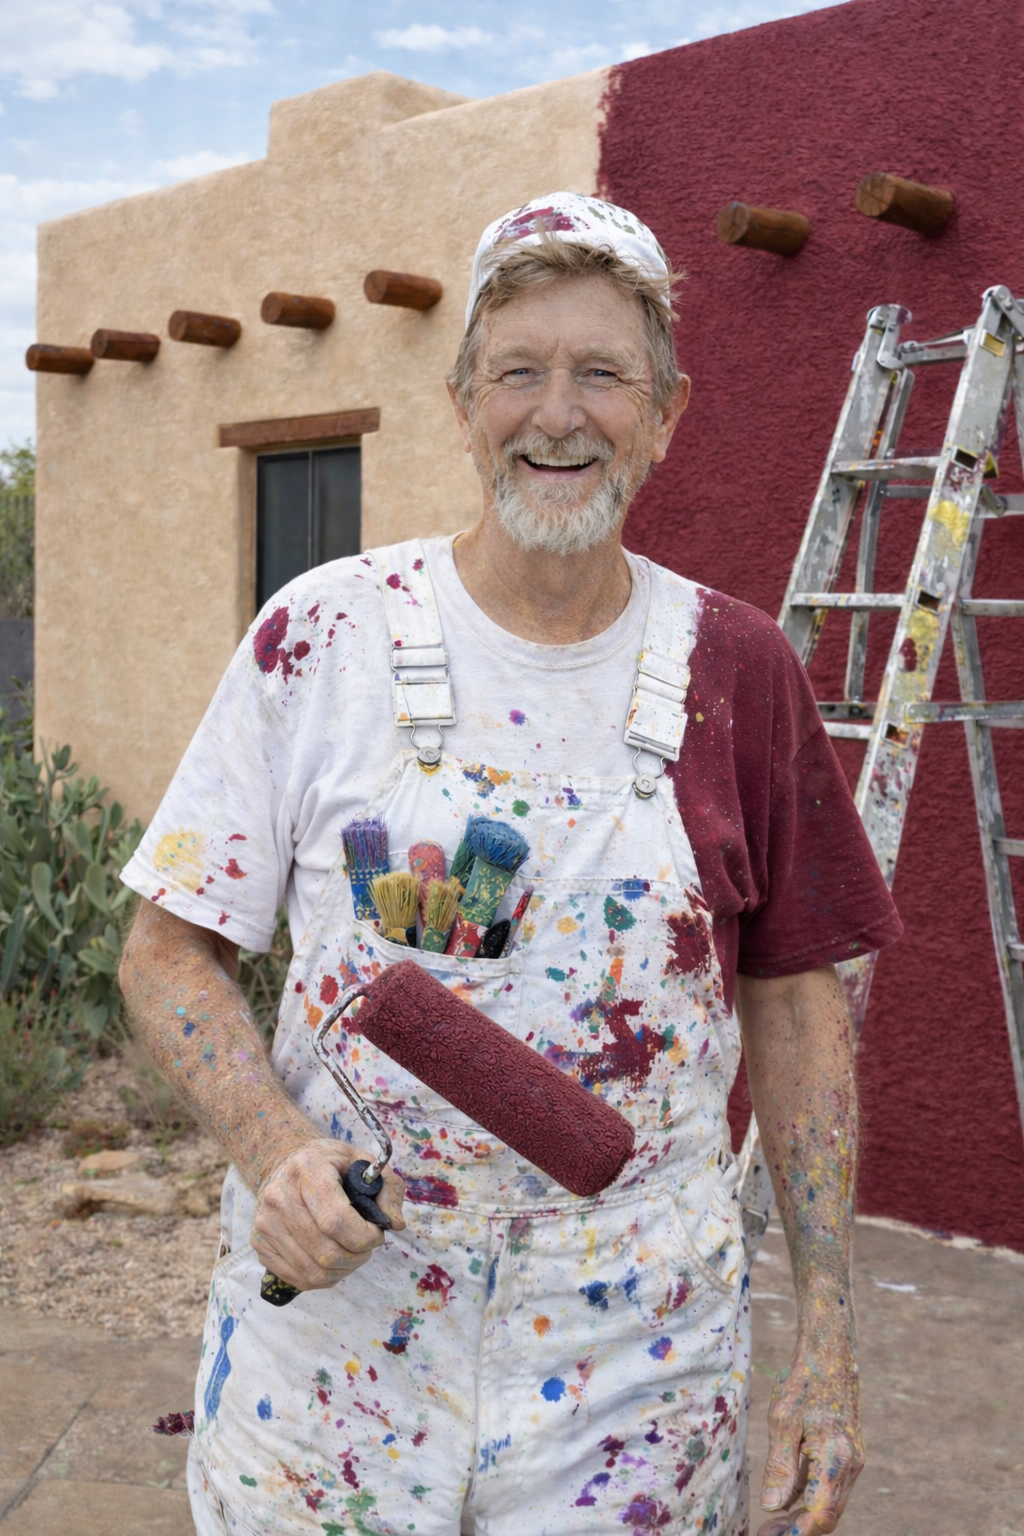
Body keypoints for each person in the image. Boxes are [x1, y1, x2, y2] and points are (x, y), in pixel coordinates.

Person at [120, 192, 901, 1536]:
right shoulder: (325, 636)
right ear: (460, 399)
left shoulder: (738, 670)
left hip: (636, 1376)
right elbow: (166, 949)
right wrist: (273, 1150)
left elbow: (794, 997)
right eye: (518, 372)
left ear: (665, 414)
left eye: (602, 374)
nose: (558, 415)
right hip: (337, 1357)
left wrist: (827, 1335)